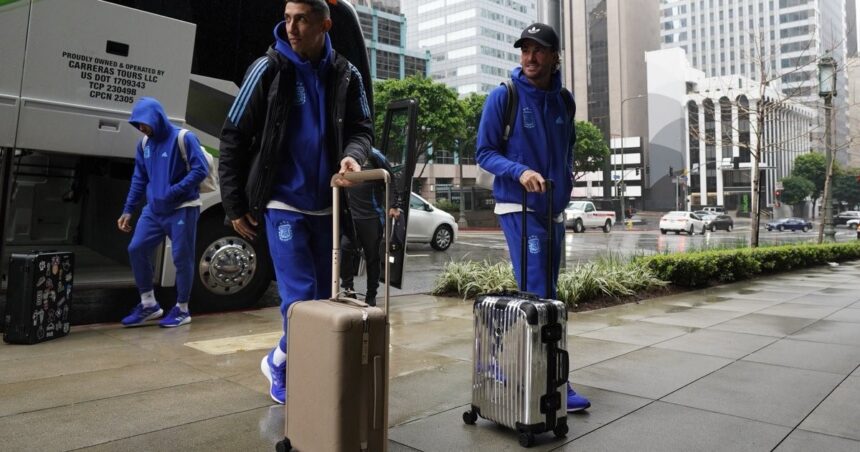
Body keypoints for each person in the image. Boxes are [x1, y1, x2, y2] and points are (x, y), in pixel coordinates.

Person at [218, 0, 372, 405]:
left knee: (324, 299)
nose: (291, 27)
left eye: (301, 19)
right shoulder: (266, 69)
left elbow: (363, 129)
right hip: (282, 202)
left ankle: (284, 360)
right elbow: (233, 135)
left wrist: (355, 154)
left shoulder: (347, 74)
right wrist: (235, 204)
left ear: (324, 23)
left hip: (327, 205)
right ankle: (284, 367)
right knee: (301, 298)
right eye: (287, 18)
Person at [475, 23, 591, 412]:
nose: (530, 57)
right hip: (517, 206)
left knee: (547, 293)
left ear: (556, 56)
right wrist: (519, 171)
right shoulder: (503, 97)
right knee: (541, 291)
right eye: (525, 49)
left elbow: (568, 148)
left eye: (539, 50)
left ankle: (503, 364)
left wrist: (568, 178)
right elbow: (484, 153)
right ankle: (550, 381)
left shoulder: (565, 102)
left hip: (553, 208)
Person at [117, 97, 209, 328]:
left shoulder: (183, 138)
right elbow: (139, 178)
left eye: (143, 122)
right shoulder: (144, 144)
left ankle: (183, 308)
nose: (141, 128)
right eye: (137, 124)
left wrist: (174, 191)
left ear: (156, 117)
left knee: (181, 258)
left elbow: (201, 170)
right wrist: (128, 210)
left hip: (182, 209)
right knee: (136, 248)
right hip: (154, 211)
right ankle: (148, 304)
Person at [340, 149, 403, 306]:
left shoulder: (374, 154)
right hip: (351, 217)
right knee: (344, 250)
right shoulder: (343, 155)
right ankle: (348, 288)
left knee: (372, 257)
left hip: (372, 217)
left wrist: (394, 205)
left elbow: (391, 177)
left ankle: (371, 295)